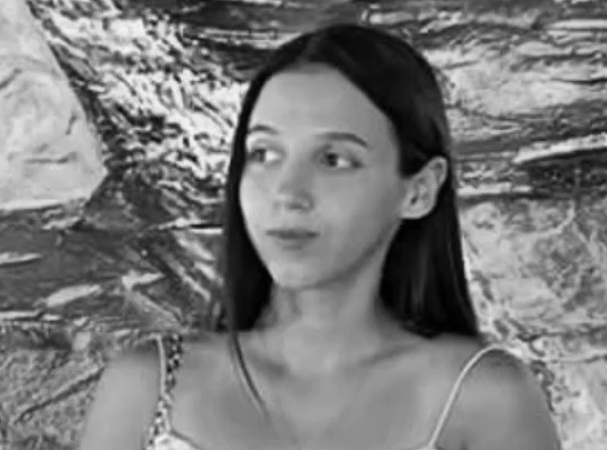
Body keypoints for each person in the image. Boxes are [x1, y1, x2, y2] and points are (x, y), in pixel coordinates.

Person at [76, 23, 562, 450]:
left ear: (419, 190)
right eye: (264, 154)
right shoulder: (146, 387)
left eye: (334, 160)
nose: (288, 193)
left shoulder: (483, 398)